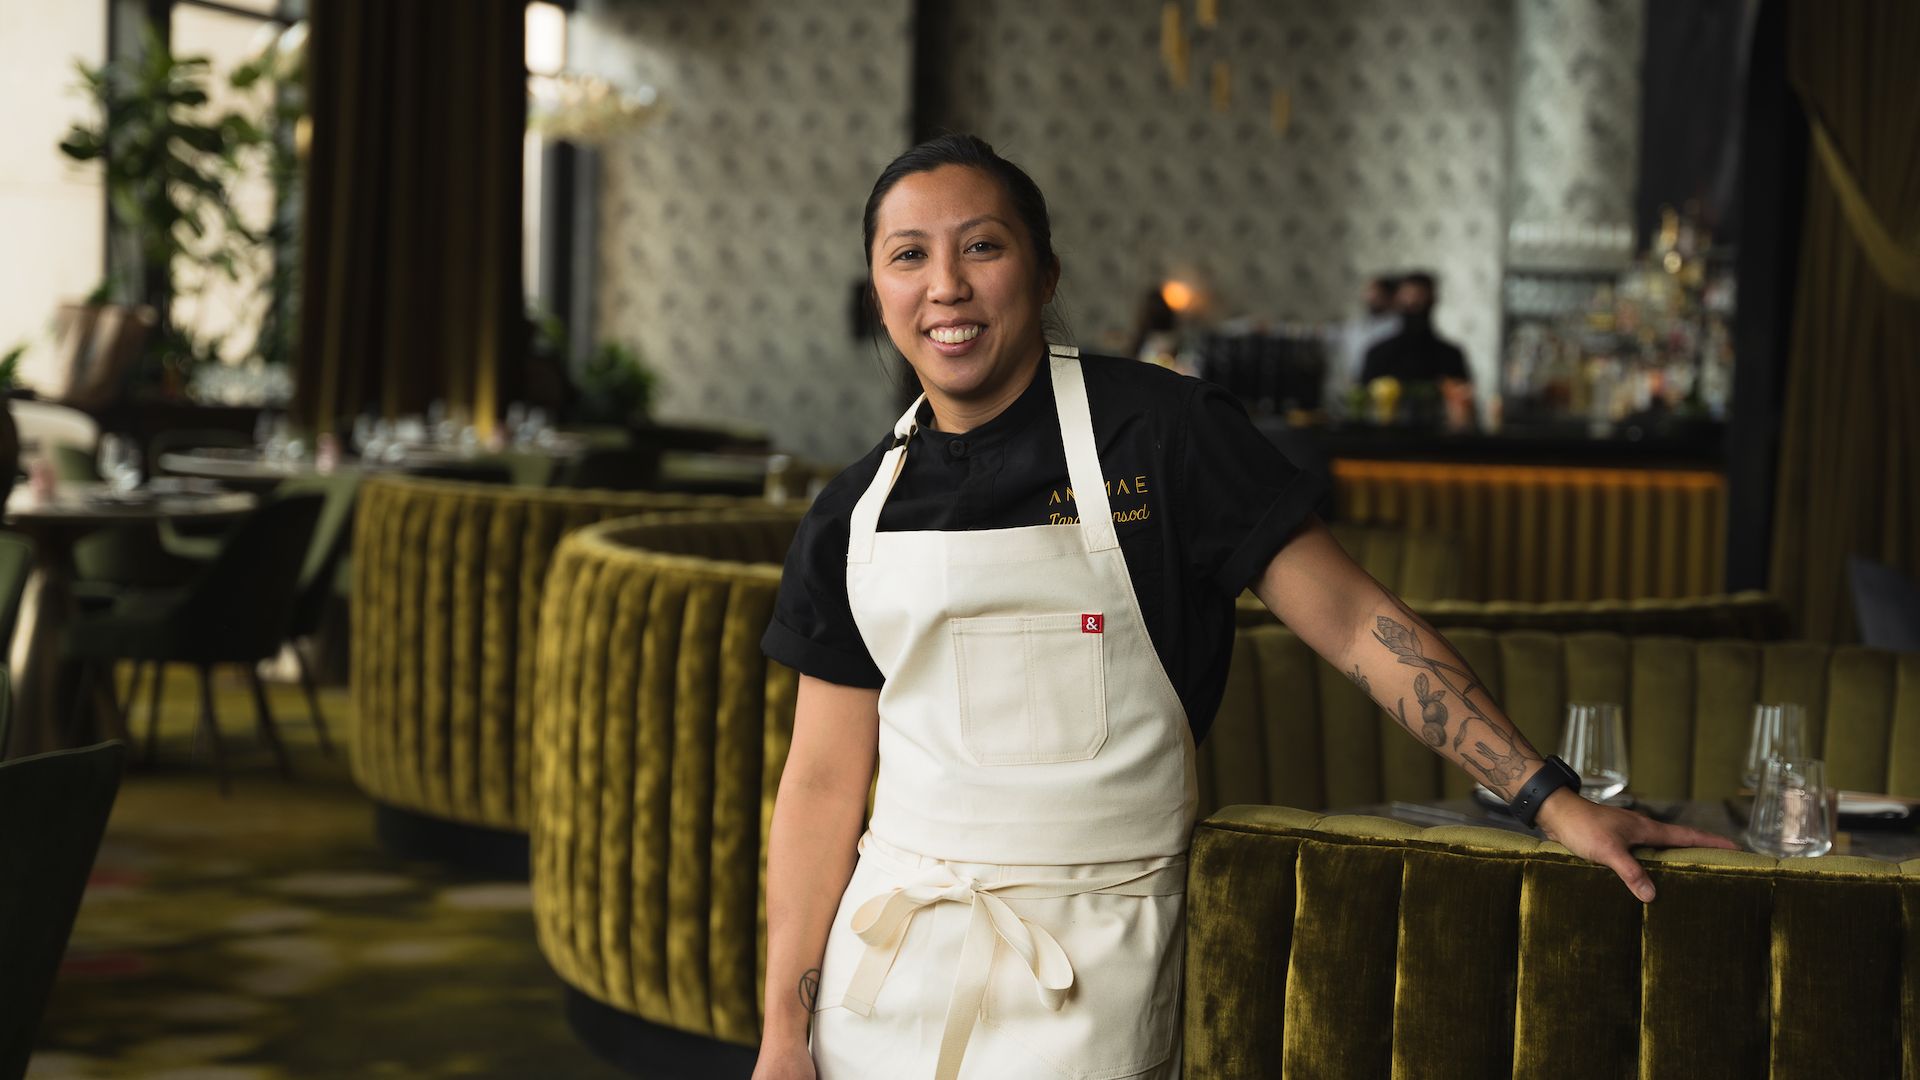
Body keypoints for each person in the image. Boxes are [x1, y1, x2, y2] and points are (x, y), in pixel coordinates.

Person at [753, 135, 1731, 1080]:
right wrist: (785, 1036)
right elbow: (822, 788)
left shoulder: (1165, 436)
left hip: (1095, 969)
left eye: (983, 246)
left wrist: (1548, 799)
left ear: (1045, 273)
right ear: (878, 290)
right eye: (908, 256)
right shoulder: (850, 514)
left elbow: (1354, 623)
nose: (947, 286)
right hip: (884, 976)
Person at [1359, 271, 1471, 388]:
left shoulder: (1450, 356)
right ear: (1397, 300)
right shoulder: (1378, 354)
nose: (1413, 302)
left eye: (1420, 295)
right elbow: (1362, 398)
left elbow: (1462, 395)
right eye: (1408, 296)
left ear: (1432, 299)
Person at [1329, 273, 1401, 408]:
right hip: (1357, 387)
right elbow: (1338, 333)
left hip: (1384, 392)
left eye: (1375, 293)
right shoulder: (1359, 325)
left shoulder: (1398, 326)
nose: (1368, 297)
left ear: (1389, 297)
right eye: (1368, 292)